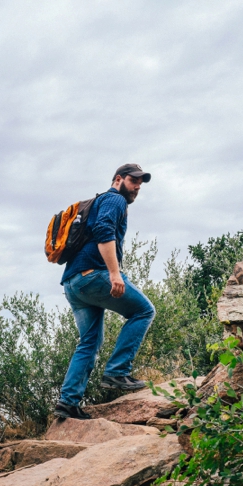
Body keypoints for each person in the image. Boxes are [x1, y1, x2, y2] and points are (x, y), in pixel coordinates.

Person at [53, 164, 156, 420]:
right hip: (93, 276)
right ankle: (117, 371)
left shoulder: (99, 201)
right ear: (118, 179)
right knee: (144, 311)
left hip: (73, 283)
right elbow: (104, 231)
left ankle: (68, 403)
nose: (138, 186)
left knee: (89, 341)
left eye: (141, 182)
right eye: (134, 180)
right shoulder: (114, 199)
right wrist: (114, 273)